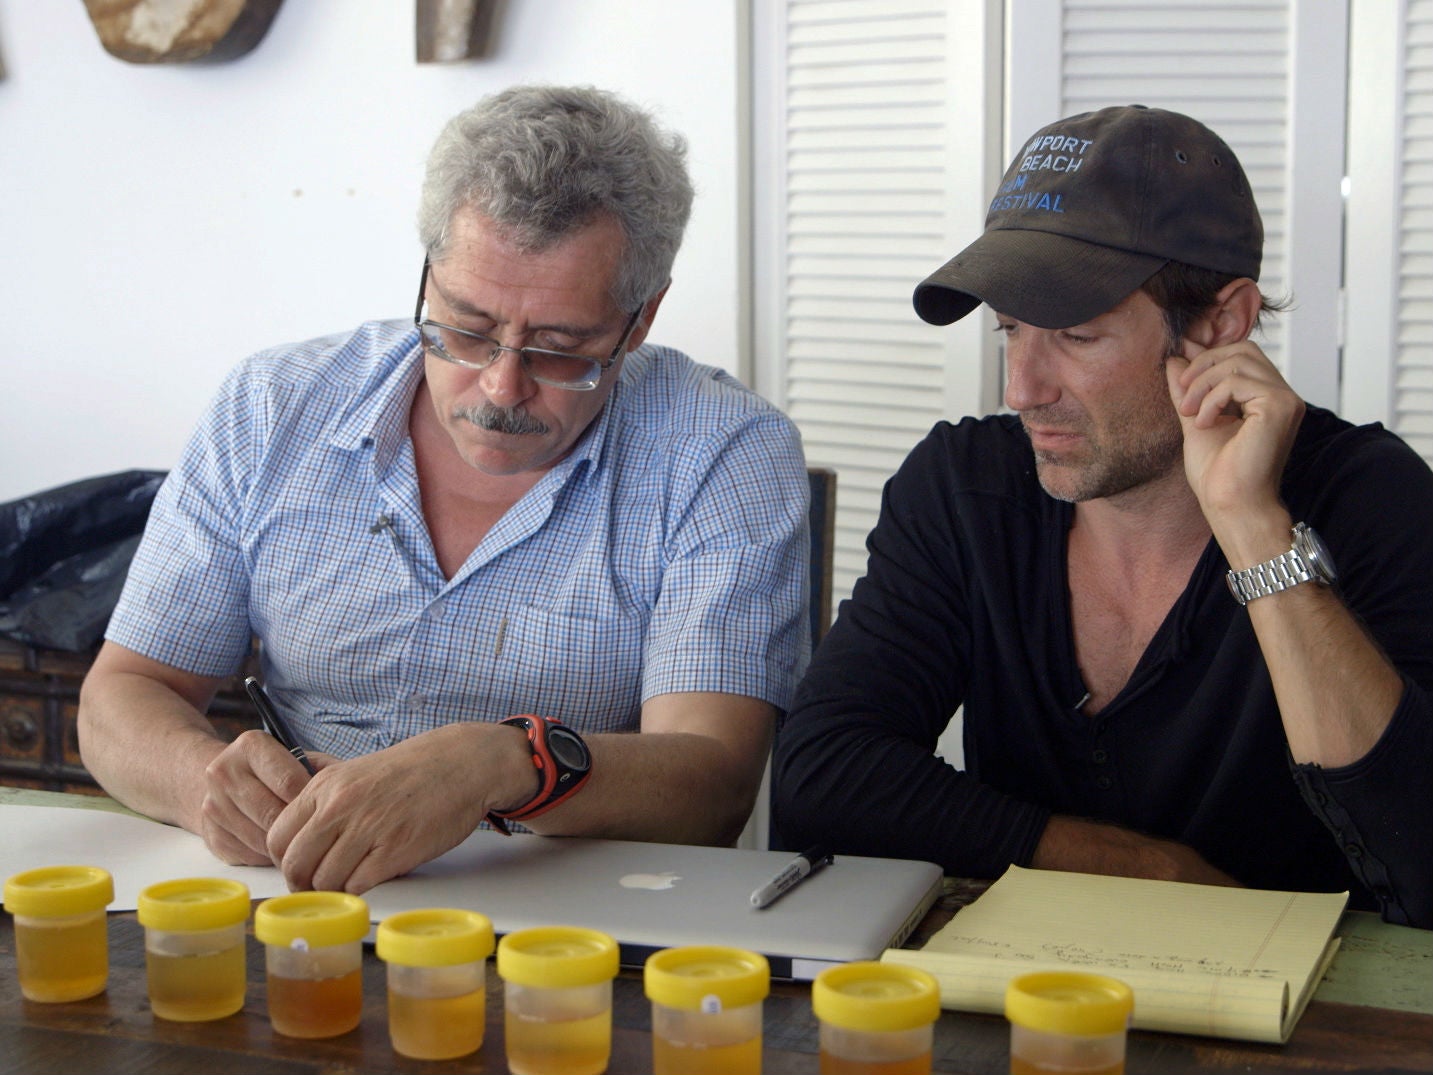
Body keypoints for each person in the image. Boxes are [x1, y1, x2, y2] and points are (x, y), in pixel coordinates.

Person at [78, 84, 810, 896]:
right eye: (464, 328)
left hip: (573, 926)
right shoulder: (273, 405)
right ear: (428, 272)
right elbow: (122, 694)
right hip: (300, 901)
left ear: (640, 320)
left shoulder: (722, 452)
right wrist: (203, 782)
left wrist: (506, 762)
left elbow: (711, 786)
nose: (498, 388)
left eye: (560, 349)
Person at [771, 104, 1433, 928]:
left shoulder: (1368, 497)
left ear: (1220, 323)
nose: (1022, 389)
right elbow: (819, 782)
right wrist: (1137, 867)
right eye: (1009, 330)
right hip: (1031, 1005)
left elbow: (1421, 861)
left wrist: (1253, 526)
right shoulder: (964, 486)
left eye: (1075, 336)